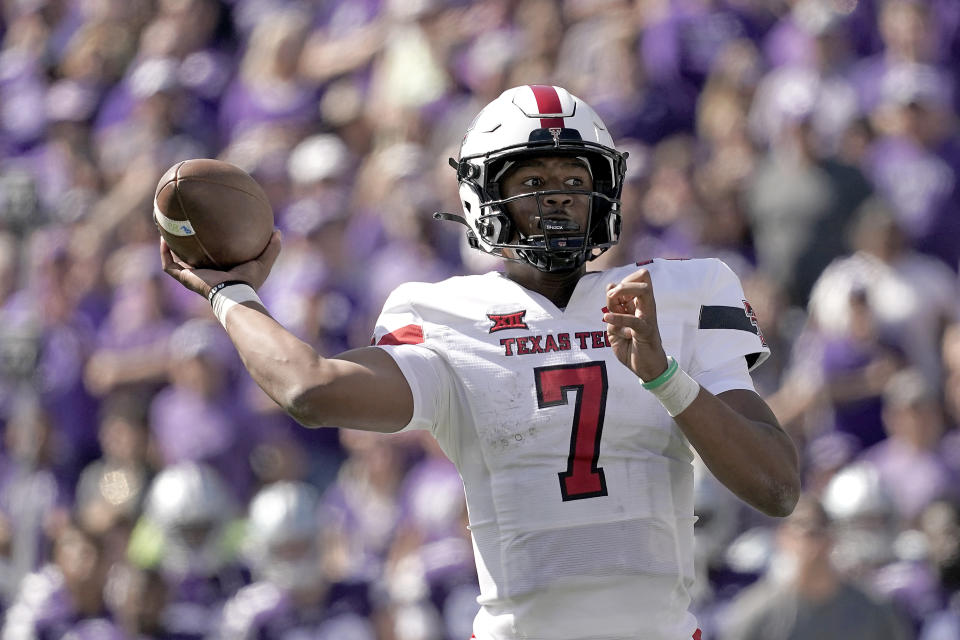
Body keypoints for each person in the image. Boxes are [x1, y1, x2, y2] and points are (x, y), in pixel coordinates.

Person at [160, 85, 800, 640]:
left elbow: (776, 487)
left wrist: (666, 378)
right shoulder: (445, 314)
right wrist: (229, 294)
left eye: (575, 181)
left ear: (604, 192)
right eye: (532, 182)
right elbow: (311, 390)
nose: (558, 199)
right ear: (483, 197)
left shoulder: (679, 293)